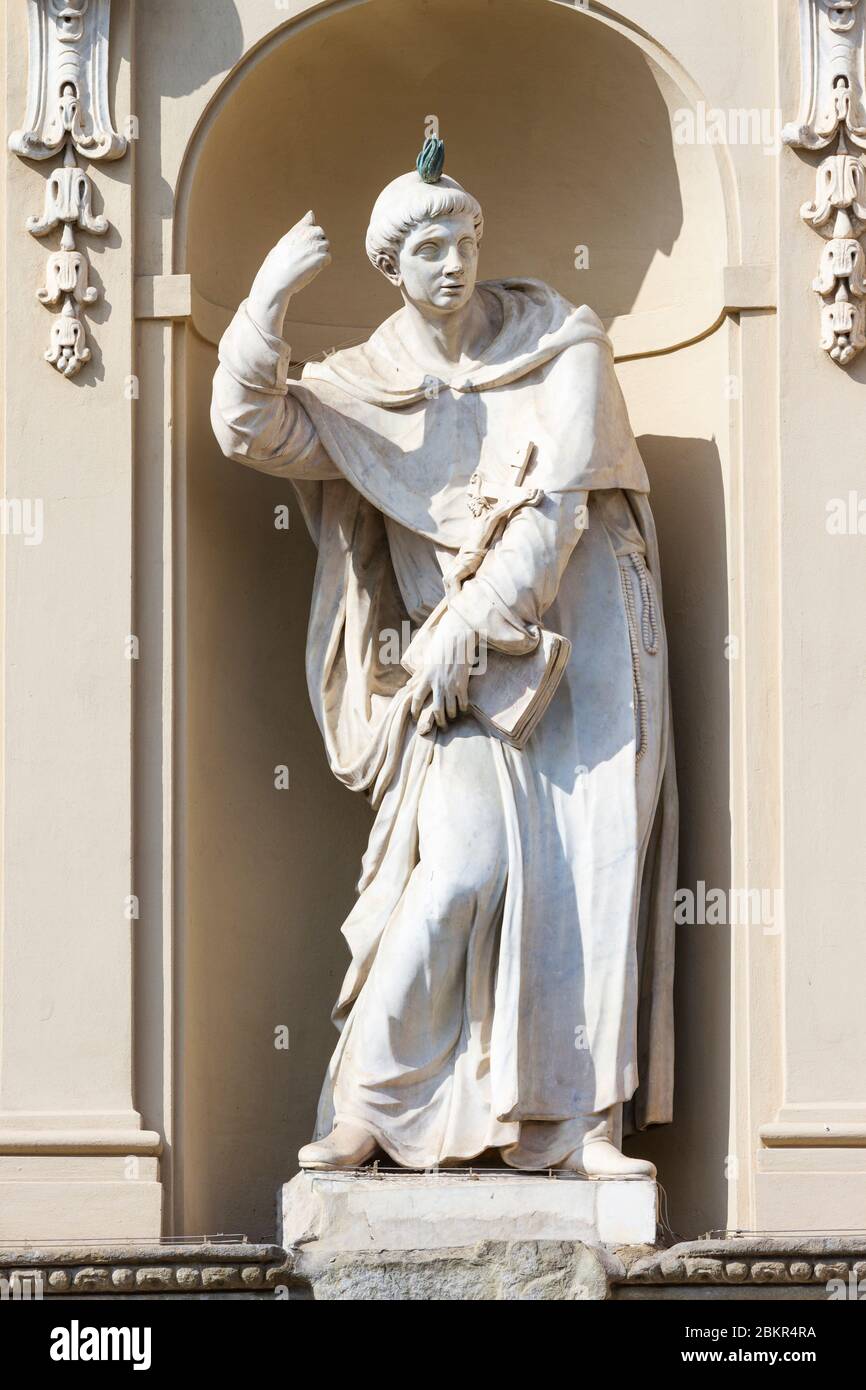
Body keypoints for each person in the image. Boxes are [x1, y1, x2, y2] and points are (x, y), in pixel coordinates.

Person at [211, 141, 678, 1176]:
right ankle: (370, 1105)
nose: (451, 265)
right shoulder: (369, 384)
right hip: (459, 683)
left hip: (582, 654)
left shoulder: (560, 342)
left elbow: (557, 511)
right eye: (425, 248)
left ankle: (574, 1122)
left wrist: (463, 626)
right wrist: (263, 305)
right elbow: (249, 426)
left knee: (584, 873)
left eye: (461, 240)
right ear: (391, 267)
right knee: (458, 868)